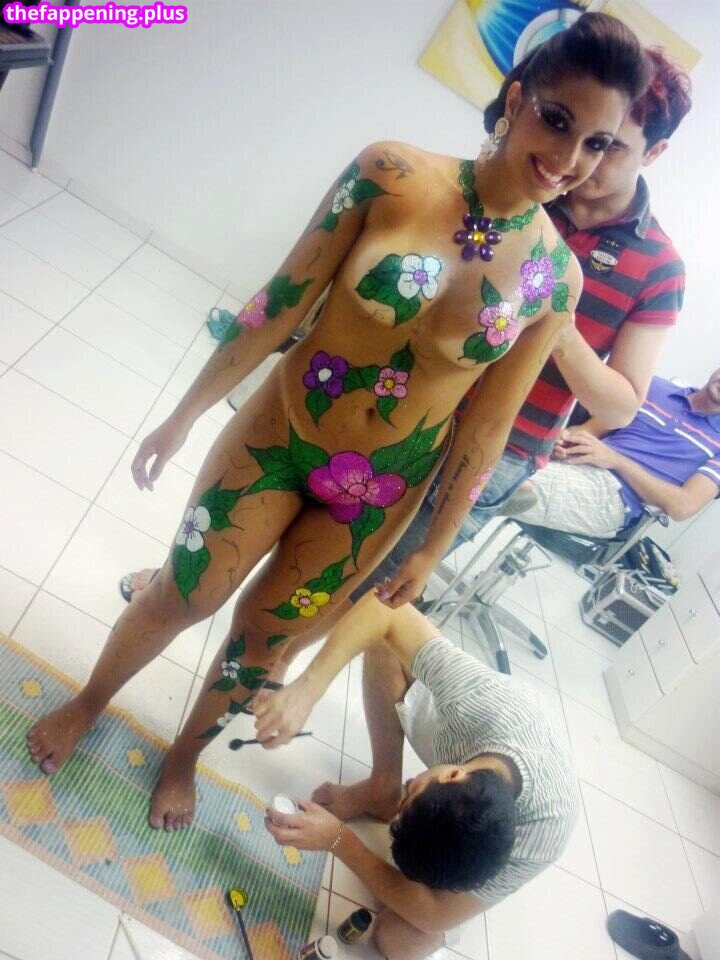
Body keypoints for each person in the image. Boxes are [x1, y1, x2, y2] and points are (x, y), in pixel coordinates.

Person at [25, 13, 647, 830]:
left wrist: (432, 546)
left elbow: (487, 430)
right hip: (279, 436)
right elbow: (280, 303)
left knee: (264, 642)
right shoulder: (390, 175)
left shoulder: (553, 281)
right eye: (557, 121)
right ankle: (89, 702)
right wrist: (184, 413)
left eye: (597, 144)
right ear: (516, 99)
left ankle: (183, 757)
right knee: (186, 591)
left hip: (380, 494)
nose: (570, 159)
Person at [359, 46, 691, 609]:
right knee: (327, 533)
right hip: (416, 390)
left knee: (384, 583)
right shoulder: (525, 182)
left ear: (654, 152)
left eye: (608, 146)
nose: (578, 159)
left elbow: (619, 406)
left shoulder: (659, 265)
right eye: (582, 132)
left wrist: (555, 318)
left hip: (504, 446)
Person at [261, 590, 577, 960]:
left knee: (400, 941)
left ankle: (401, 827)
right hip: (466, 731)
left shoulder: (543, 834)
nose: (408, 792)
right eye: (410, 792)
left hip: (490, 807)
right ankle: (382, 788)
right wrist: (307, 689)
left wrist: (338, 840)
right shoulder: (479, 700)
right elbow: (386, 607)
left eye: (405, 795)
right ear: (454, 774)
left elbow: (434, 914)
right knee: (385, 644)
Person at [509, 367, 720, 538]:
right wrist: (563, 441)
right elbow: (587, 432)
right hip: (574, 466)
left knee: (506, 481)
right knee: (503, 456)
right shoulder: (653, 387)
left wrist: (617, 461)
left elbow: (682, 507)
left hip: (614, 497)